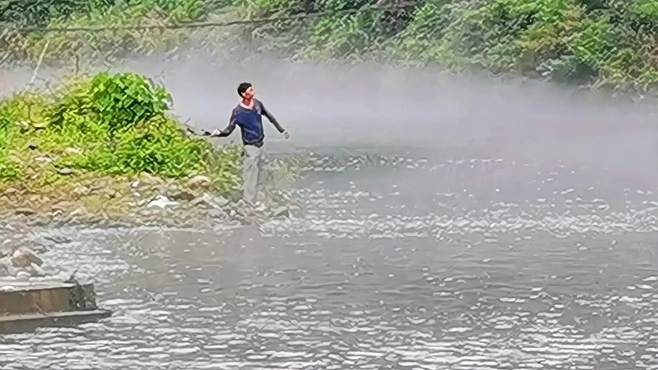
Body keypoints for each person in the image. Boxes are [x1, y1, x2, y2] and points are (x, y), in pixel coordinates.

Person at [206, 82, 289, 206]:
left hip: (260, 142)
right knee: (251, 173)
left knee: (260, 170)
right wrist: (218, 133)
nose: (252, 91)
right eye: (250, 90)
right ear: (243, 94)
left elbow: (270, 117)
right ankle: (248, 202)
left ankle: (258, 198)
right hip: (250, 145)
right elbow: (229, 130)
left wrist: (282, 130)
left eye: (252, 89)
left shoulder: (257, 104)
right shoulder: (238, 112)